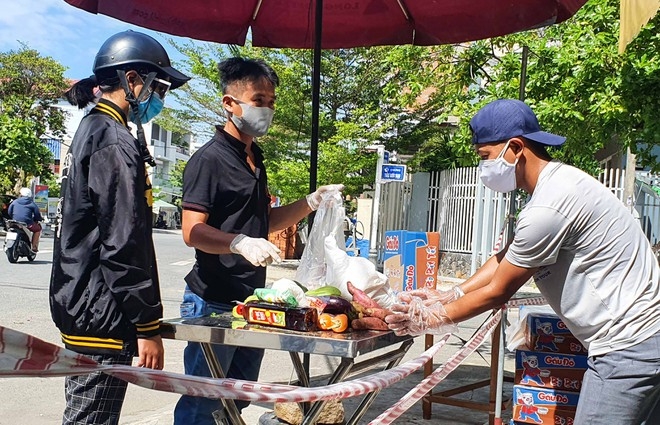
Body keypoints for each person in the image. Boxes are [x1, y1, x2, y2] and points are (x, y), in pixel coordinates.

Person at [385, 99, 660, 424]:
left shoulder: (548, 207)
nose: (484, 168)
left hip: (627, 344)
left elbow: (498, 291)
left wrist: (428, 318)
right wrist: (451, 294)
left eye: (486, 157)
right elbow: (508, 256)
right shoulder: (560, 184)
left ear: (515, 148)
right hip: (644, 338)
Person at [173, 57, 343, 424]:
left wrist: (310, 202)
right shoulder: (209, 160)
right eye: (258, 100)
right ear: (229, 103)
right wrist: (237, 243)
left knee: (239, 395)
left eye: (271, 102)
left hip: (252, 301)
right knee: (204, 398)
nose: (266, 109)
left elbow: (265, 223)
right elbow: (192, 231)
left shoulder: (255, 158)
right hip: (211, 299)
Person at [49, 30, 189, 425]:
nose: (161, 98)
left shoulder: (95, 129)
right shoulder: (113, 141)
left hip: (84, 303)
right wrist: (147, 325)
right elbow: (123, 243)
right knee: (91, 420)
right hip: (103, 312)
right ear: (132, 80)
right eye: (159, 86)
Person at [8, 187, 43, 252]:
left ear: (20, 194)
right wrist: (37, 220)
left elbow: (9, 212)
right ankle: (34, 247)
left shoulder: (14, 202)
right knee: (38, 229)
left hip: (14, 222)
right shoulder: (32, 203)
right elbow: (37, 214)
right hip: (27, 224)